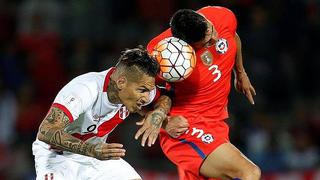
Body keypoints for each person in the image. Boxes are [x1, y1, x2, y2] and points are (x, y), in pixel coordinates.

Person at [143, 6, 261, 180]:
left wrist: (240, 72)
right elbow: (138, 95)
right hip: (186, 128)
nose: (214, 37)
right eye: (206, 43)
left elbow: (232, 36)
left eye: (211, 29)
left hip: (217, 124)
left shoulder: (221, 16)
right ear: (187, 45)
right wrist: (165, 122)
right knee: (249, 173)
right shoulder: (163, 55)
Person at [32, 46, 164, 180]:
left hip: (96, 155)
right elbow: (46, 131)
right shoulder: (86, 89)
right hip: (57, 156)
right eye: (142, 91)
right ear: (121, 82)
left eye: (148, 91)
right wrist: (91, 150)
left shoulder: (139, 85)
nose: (147, 98)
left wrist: (159, 113)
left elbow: (165, 97)